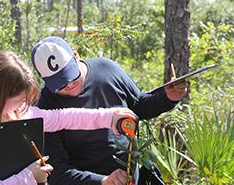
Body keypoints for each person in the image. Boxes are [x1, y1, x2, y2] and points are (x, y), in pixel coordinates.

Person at [0, 50, 137, 185]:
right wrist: (29, 177)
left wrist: (108, 117)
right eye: (20, 99)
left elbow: (63, 118)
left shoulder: (19, 113)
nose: (25, 104)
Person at [31, 36, 188, 185]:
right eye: (60, 84)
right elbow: (56, 172)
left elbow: (139, 106)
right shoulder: (45, 106)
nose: (69, 85)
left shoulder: (107, 70)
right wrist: (101, 181)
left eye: (72, 75)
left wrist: (167, 97)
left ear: (75, 55)